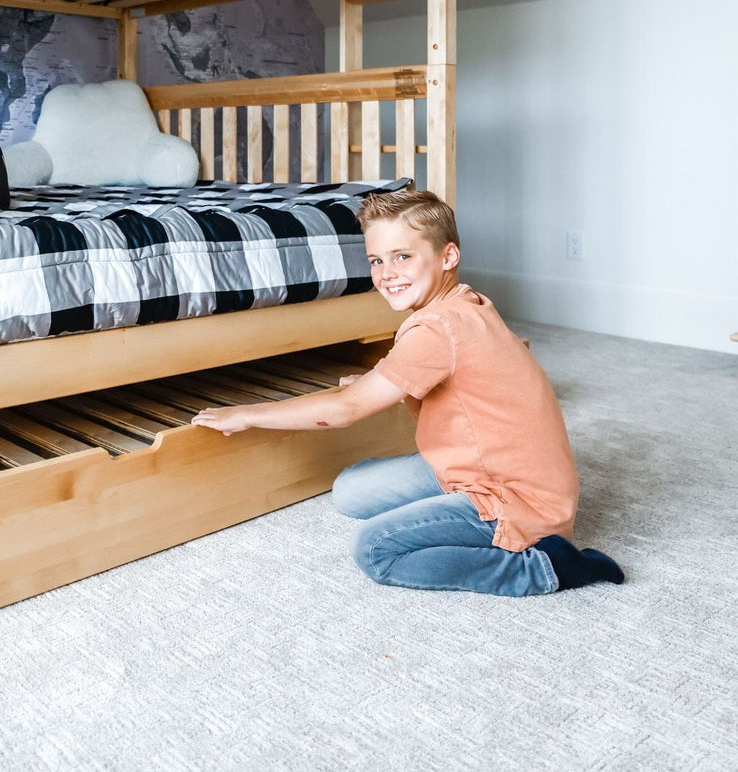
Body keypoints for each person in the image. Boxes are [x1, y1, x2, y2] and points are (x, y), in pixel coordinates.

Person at [191, 188, 623, 596]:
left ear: (448, 256)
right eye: (376, 260)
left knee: (375, 549)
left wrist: (247, 414)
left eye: (403, 256)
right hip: (479, 467)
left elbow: (344, 411)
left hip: (514, 498)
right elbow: (457, 378)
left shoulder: (437, 328)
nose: (387, 274)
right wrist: (377, 384)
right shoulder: (462, 303)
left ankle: (544, 568)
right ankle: (462, 512)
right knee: (350, 491)